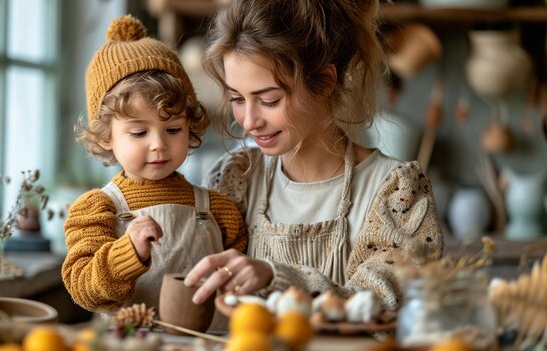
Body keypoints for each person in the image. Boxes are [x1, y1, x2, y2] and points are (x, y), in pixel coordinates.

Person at [183, 0, 444, 312]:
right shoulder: (236, 179)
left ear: (324, 81)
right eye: (237, 98)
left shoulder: (396, 193)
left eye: (269, 100)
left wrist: (276, 278)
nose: (248, 120)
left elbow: (380, 306)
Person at [62, 14, 247, 314]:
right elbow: (83, 288)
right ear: (106, 135)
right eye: (139, 132)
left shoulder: (219, 210)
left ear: (190, 125)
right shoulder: (97, 209)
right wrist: (127, 252)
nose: (159, 144)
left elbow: (239, 287)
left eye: (173, 129)